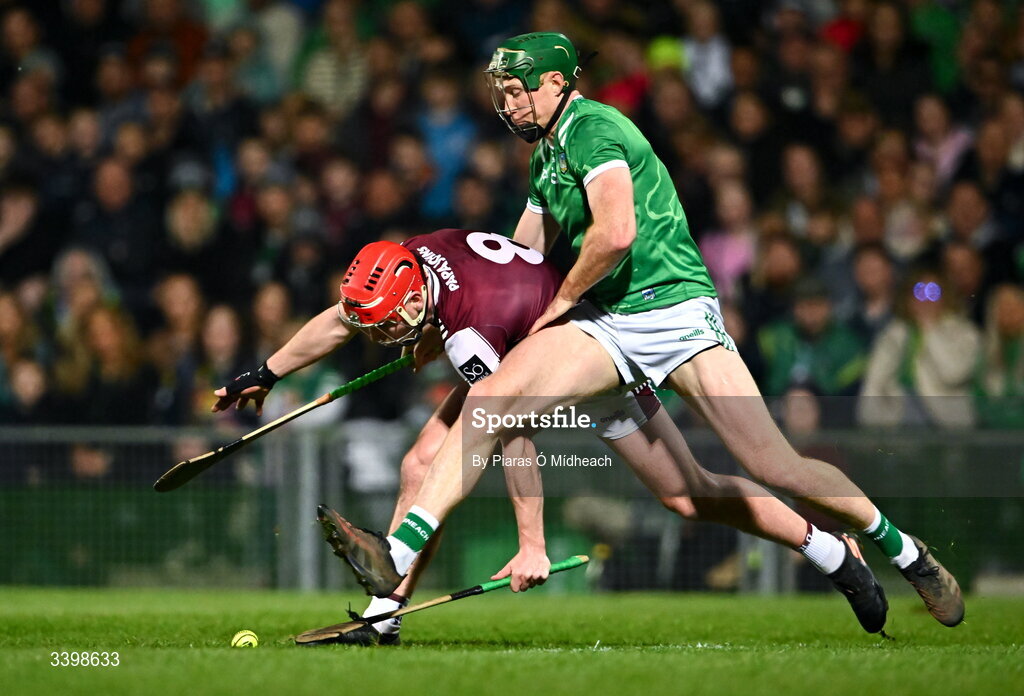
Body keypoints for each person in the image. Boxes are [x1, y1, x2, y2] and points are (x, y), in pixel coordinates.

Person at [319, 33, 965, 631]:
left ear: (554, 83)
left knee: (772, 464)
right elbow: (520, 259)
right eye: (503, 94)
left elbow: (617, 233)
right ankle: (395, 554)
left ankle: (902, 551)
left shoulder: (593, 127)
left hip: (675, 310)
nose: (508, 105)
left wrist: (558, 302)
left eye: (517, 91)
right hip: (603, 323)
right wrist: (452, 320)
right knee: (494, 402)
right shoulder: (545, 158)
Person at [215, 228, 891, 644]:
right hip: (535, 349)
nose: (384, 339)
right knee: (422, 461)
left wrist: (531, 540)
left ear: (417, 298)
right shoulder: (411, 260)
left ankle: (832, 550)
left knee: (691, 496)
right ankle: (383, 612)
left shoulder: (472, 332)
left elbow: (511, 433)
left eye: (394, 325)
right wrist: (266, 371)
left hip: (599, 369)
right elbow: (342, 318)